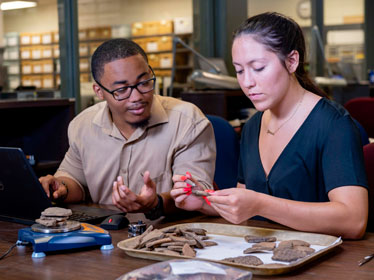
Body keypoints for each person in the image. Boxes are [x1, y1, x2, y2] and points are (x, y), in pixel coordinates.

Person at [171, 12, 368, 239]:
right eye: (239, 70)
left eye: (258, 67)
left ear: (292, 61)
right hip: (265, 254)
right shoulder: (253, 125)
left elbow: (354, 220)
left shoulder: (333, 124)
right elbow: (245, 202)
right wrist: (204, 202)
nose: (247, 82)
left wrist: (261, 204)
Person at [39, 38, 216, 220]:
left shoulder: (187, 121)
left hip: (168, 237)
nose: (137, 97)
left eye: (144, 82)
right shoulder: (83, 125)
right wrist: (61, 188)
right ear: (99, 91)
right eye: (122, 90)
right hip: (103, 236)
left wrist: (155, 203)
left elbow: (197, 194)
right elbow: (75, 181)